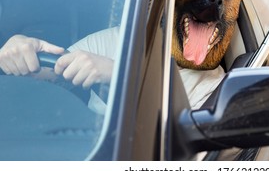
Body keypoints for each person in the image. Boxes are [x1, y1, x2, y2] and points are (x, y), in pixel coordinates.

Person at [0, 26, 224, 110]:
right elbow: (50, 71)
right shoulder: (115, 38)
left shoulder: (213, 82)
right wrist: (20, 48)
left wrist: (119, 74)